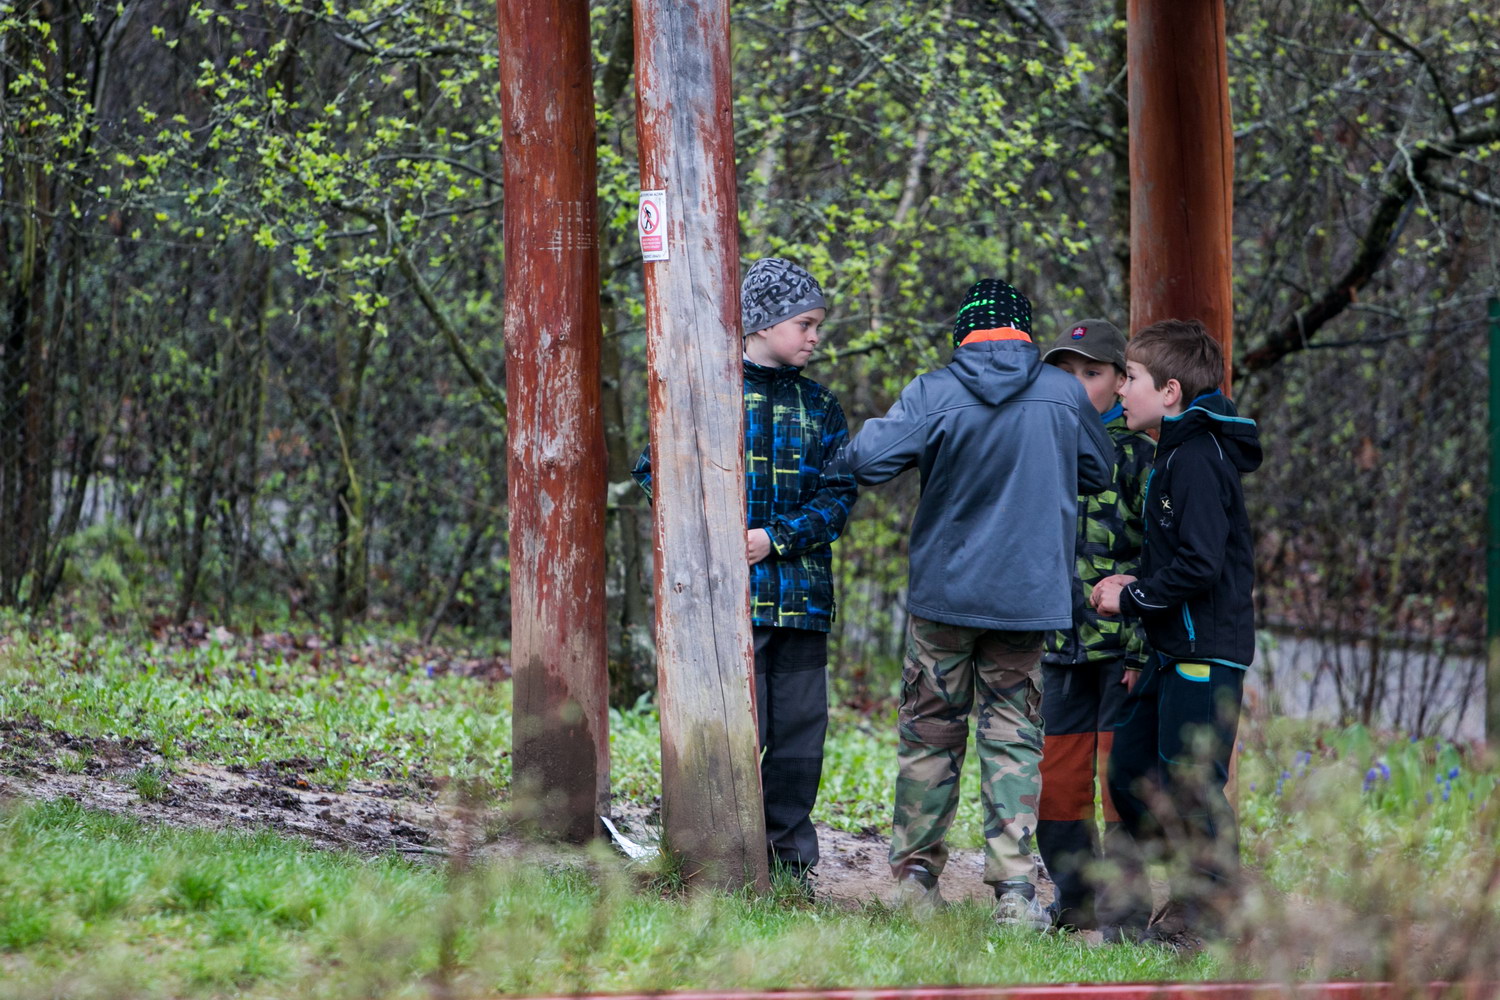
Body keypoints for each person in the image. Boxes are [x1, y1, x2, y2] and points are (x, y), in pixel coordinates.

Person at [845, 279, 1113, 929]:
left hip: (945, 598)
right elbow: (1099, 470)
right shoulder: (1063, 395)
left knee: (930, 733)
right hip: (1027, 600)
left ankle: (915, 882)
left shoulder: (934, 392)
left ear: (964, 332)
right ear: (1025, 332)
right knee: (1013, 738)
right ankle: (1015, 894)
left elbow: (867, 460)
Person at [632, 257, 857, 891]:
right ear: (761, 324)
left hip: (803, 604)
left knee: (799, 741)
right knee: (730, 734)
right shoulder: (707, 392)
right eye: (805, 324)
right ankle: (716, 858)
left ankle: (789, 866)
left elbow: (840, 496)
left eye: (818, 325)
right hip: (726, 606)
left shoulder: (822, 405)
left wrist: (773, 539)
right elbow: (654, 471)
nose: (815, 337)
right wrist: (712, 535)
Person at [1091, 318, 1262, 952]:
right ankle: (1174, 891)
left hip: (1204, 653)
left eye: (1130, 377)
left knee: (1191, 783)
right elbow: (1184, 556)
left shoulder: (1195, 458)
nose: (1120, 388)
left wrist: (1132, 596)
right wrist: (1140, 579)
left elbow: (1201, 564)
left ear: (1169, 392)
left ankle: (1209, 914)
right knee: (1131, 769)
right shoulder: (1174, 451)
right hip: (1172, 649)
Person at [1034, 318, 1155, 932]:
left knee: (1118, 784)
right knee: (1057, 785)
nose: (1077, 384)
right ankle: (1073, 898)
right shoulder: (1037, 445)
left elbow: (1161, 562)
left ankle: (1125, 912)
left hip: (1120, 649)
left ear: (1119, 381)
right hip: (1056, 647)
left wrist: (1139, 648)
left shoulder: (1139, 455)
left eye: (1093, 372)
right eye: (1064, 372)